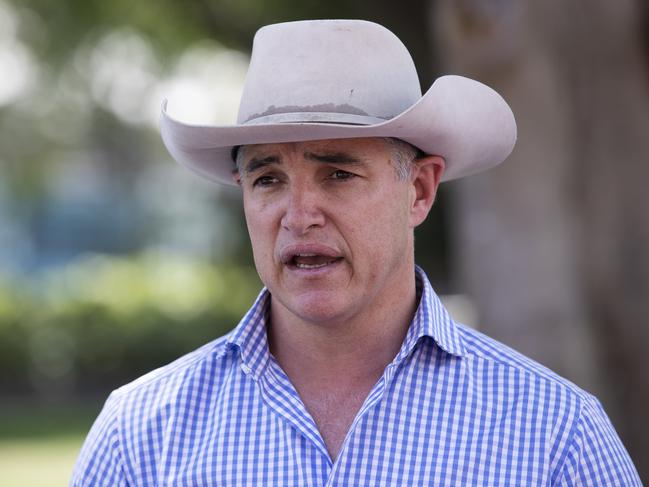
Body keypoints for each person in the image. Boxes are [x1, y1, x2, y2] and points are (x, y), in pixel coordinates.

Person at [71, 19, 641, 486]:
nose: (298, 215)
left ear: (418, 190)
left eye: (338, 173)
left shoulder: (554, 433)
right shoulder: (142, 435)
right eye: (267, 179)